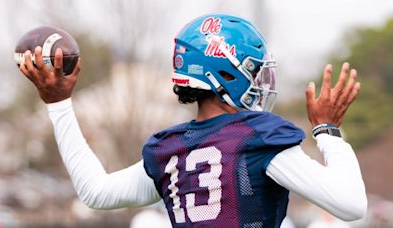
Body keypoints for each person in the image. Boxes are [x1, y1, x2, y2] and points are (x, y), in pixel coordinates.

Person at [18, 13, 367, 227]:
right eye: (254, 71)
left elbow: (95, 192)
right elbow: (350, 205)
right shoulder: (258, 140)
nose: (262, 82)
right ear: (227, 75)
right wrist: (328, 131)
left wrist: (59, 104)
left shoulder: (169, 149)